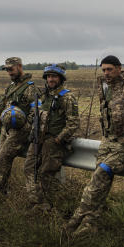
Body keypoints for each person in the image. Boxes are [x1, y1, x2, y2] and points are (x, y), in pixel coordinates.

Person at [65, 55, 124, 237]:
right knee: (100, 181)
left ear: (119, 68)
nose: (106, 73)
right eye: (103, 70)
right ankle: (90, 224)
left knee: (102, 173)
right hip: (109, 140)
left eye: (109, 69)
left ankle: (75, 220)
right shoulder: (105, 85)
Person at [0, 57, 38, 201]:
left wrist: (26, 127)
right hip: (5, 130)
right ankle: (0, 195)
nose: (9, 72)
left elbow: (35, 111)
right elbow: (1, 105)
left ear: (19, 67)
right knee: (3, 161)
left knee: (1, 159)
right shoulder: (10, 87)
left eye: (11, 69)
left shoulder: (31, 88)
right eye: (7, 70)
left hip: (19, 131)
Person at [22, 64, 78, 210]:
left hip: (52, 142)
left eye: (54, 76)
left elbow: (73, 123)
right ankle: (38, 203)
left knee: (46, 175)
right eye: (48, 76)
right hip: (37, 139)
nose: (51, 79)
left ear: (60, 78)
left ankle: (56, 207)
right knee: (29, 169)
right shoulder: (43, 96)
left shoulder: (67, 97)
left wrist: (58, 139)